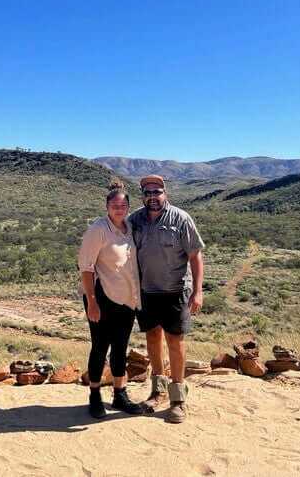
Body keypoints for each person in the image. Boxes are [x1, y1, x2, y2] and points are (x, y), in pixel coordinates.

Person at [129, 174, 205, 424]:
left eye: (157, 192)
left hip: (176, 291)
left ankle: (178, 399)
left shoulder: (181, 219)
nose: (153, 197)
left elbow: (195, 256)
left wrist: (198, 291)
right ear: (143, 195)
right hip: (147, 291)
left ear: (165, 193)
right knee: (152, 338)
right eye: (148, 193)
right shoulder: (135, 220)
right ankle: (157, 392)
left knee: (175, 341)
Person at [78, 179, 145, 418]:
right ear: (107, 206)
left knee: (120, 347)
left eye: (123, 206)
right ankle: (94, 396)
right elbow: (85, 267)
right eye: (115, 205)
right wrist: (92, 302)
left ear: (128, 208)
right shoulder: (99, 230)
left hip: (126, 299)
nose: (119, 209)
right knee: (99, 347)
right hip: (102, 297)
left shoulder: (128, 228)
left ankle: (120, 394)